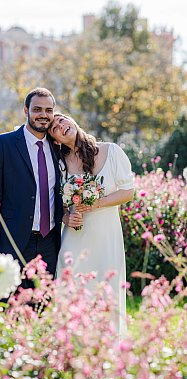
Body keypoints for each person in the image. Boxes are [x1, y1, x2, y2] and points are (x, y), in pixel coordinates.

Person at [48, 113, 134, 333]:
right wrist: (67, 217)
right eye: (55, 127)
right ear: (55, 140)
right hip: (75, 237)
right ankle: (72, 348)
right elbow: (59, 205)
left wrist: (97, 203)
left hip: (106, 236)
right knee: (72, 289)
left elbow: (128, 192)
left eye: (62, 119)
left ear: (73, 121)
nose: (61, 125)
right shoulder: (58, 165)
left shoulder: (111, 151)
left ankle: (106, 351)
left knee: (106, 291)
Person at [0, 88, 63, 285]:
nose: (43, 115)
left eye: (48, 110)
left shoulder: (58, 146)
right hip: (12, 239)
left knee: (44, 304)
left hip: (50, 242)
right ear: (26, 110)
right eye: (37, 109)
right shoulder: (3, 143)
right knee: (11, 302)